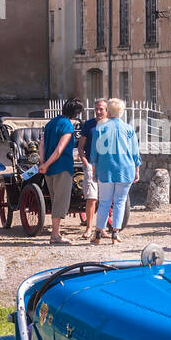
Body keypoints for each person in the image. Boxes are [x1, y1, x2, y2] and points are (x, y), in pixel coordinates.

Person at [89, 98, 141, 244]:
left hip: (106, 168)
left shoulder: (101, 128)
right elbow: (135, 153)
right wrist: (137, 170)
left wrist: (94, 169)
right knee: (120, 201)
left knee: (104, 201)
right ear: (122, 112)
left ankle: (98, 233)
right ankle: (115, 233)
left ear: (109, 111)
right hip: (126, 168)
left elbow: (95, 152)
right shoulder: (129, 129)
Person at [38, 97, 84, 245]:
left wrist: (43, 162)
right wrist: (47, 163)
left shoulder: (51, 123)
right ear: (75, 114)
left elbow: (42, 144)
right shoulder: (67, 126)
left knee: (54, 199)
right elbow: (59, 150)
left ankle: (55, 233)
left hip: (49, 168)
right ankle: (55, 235)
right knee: (61, 201)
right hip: (62, 166)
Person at [77, 98, 108, 240]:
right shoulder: (88, 125)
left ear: (107, 110)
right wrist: (85, 161)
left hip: (106, 166)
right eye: (96, 108)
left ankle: (101, 228)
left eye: (101, 108)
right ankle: (89, 228)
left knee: (106, 198)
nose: (98, 111)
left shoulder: (111, 125)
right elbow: (81, 147)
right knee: (91, 197)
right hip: (91, 165)